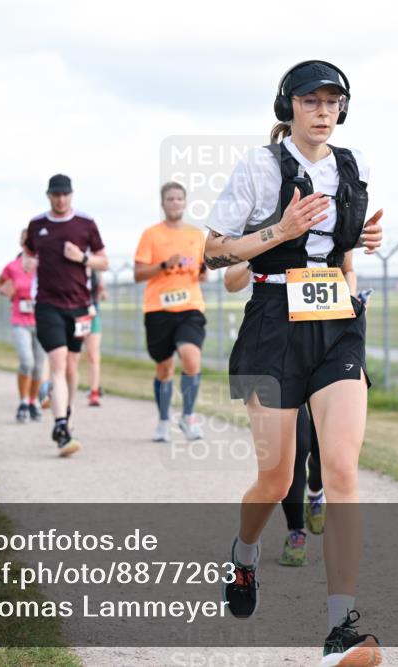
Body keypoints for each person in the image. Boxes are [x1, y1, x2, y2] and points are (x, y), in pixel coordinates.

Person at [205, 60, 384, 666]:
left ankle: (342, 626)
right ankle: (245, 553)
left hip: (337, 324)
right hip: (274, 326)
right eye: (311, 100)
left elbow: (337, 249)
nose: (324, 110)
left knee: (340, 468)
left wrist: (358, 248)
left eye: (333, 100)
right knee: (277, 478)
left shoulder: (351, 166)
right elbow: (213, 252)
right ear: (289, 106)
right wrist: (278, 230)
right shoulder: (260, 165)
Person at [224, 261, 326, 567]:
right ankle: (296, 531)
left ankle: (317, 490)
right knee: (297, 447)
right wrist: (262, 250)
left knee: (327, 441)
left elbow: (347, 267)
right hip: (278, 343)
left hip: (326, 334)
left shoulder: (330, 220)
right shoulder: (265, 223)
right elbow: (231, 280)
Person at [24, 174, 109, 457]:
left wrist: (82, 258)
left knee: (72, 367)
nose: (60, 199)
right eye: (55, 195)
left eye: (65, 195)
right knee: (58, 364)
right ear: (48, 196)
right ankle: (60, 426)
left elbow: (104, 261)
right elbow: (27, 251)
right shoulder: (38, 225)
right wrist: (28, 261)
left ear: (71, 195)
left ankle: (67, 416)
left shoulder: (85, 223)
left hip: (80, 306)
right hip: (48, 304)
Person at [133, 181, 208, 442]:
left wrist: (203, 272)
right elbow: (138, 273)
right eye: (170, 199)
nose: (175, 203)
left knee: (191, 357)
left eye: (179, 199)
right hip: (158, 308)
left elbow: (203, 273)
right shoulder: (151, 234)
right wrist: (165, 264)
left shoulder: (197, 235)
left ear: (185, 203)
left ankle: (188, 417)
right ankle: (164, 420)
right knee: (164, 368)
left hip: (190, 306)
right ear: (162, 203)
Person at [0, 229, 46, 422]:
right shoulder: (13, 267)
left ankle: (33, 402)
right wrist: (5, 290)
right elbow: (0, 284)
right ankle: (23, 401)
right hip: (20, 321)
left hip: (41, 321)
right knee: (27, 361)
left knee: (39, 367)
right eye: (27, 241)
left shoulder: (44, 266)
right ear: (22, 243)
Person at [83, 268, 107, 406]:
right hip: (73, 313)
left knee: (93, 355)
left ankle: (94, 393)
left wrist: (102, 293)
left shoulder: (96, 270)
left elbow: (102, 292)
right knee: (70, 356)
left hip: (92, 314)